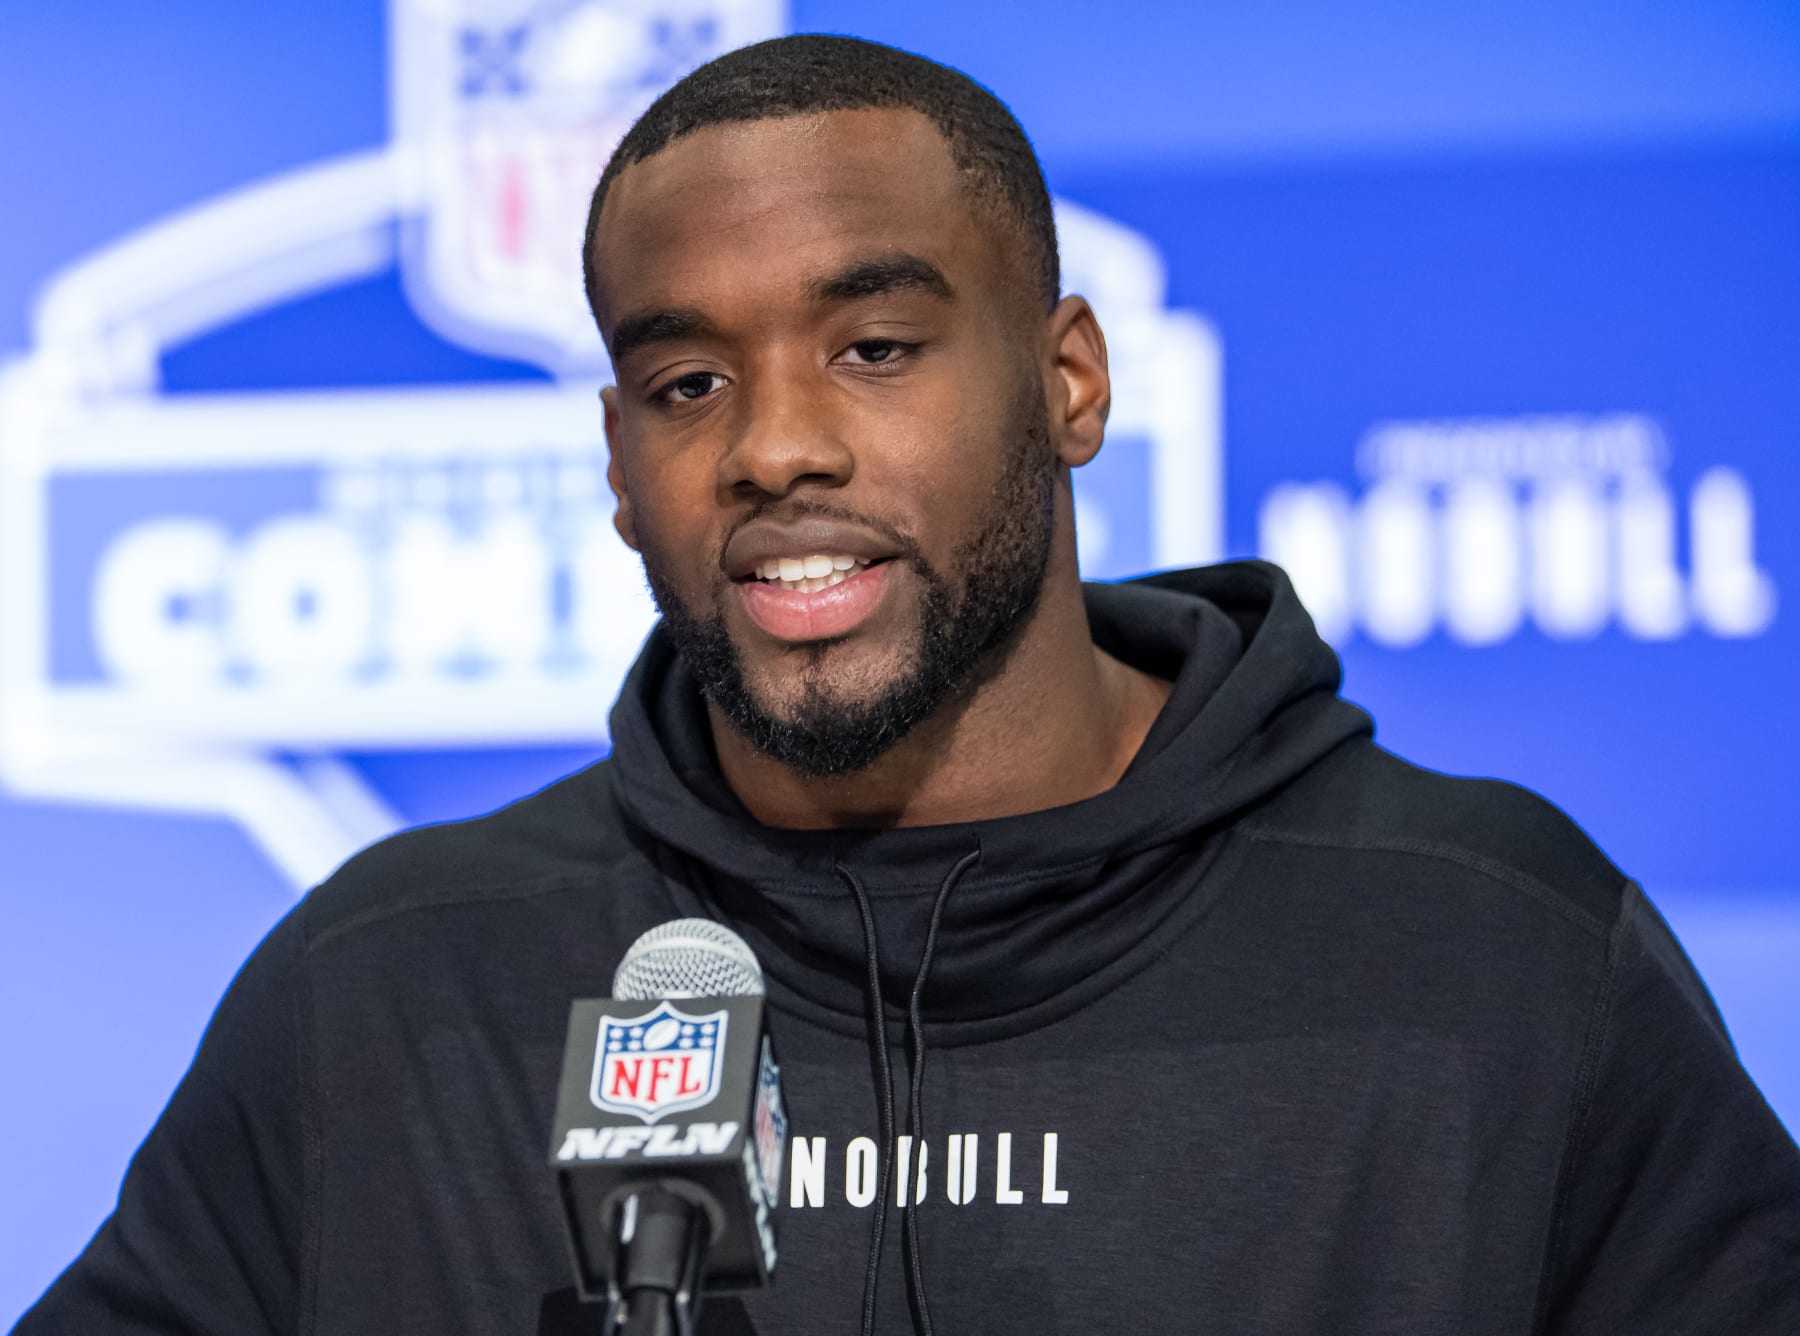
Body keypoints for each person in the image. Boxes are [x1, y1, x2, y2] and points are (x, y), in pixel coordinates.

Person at [16, 33, 1800, 1336]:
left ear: (1070, 383)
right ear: (620, 464)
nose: (776, 446)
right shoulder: (397, 985)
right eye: (688, 382)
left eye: (874, 349)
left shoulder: (1492, 950)